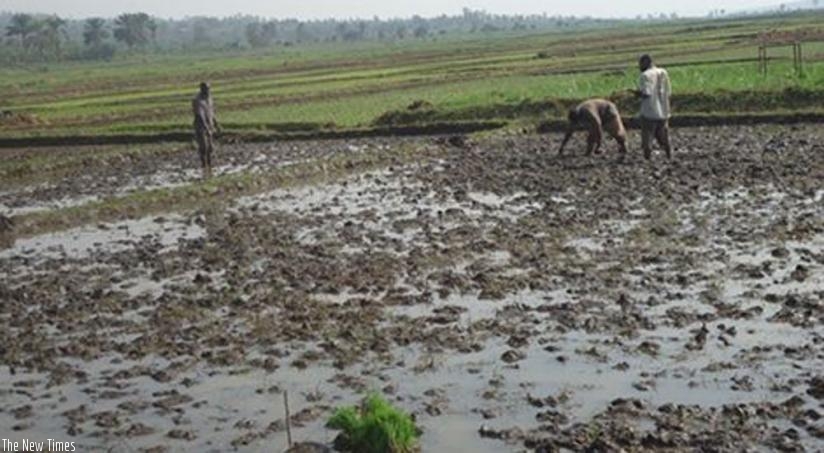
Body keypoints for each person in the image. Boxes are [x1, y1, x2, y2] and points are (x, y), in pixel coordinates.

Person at [558, 98, 628, 158]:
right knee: (591, 134)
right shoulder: (575, 117)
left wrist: (599, 145)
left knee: (615, 132)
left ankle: (623, 146)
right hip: (598, 112)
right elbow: (569, 132)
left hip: (608, 109)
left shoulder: (589, 113)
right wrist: (562, 146)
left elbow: (598, 127)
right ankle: (588, 152)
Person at [633, 54, 671, 160]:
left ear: (645, 63)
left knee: (647, 136)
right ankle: (668, 155)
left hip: (650, 111)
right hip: (664, 110)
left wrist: (636, 94)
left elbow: (646, 93)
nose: (639, 67)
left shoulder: (645, 75)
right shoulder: (663, 72)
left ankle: (647, 158)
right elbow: (668, 91)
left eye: (640, 64)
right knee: (664, 135)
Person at [192, 82, 220, 178]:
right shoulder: (197, 100)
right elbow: (200, 115)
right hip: (200, 126)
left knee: (210, 147)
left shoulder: (209, 98)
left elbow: (211, 112)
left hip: (209, 124)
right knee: (204, 147)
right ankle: (204, 166)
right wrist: (206, 127)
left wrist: (216, 124)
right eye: (206, 89)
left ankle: (209, 166)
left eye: (209, 89)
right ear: (202, 89)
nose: (208, 91)